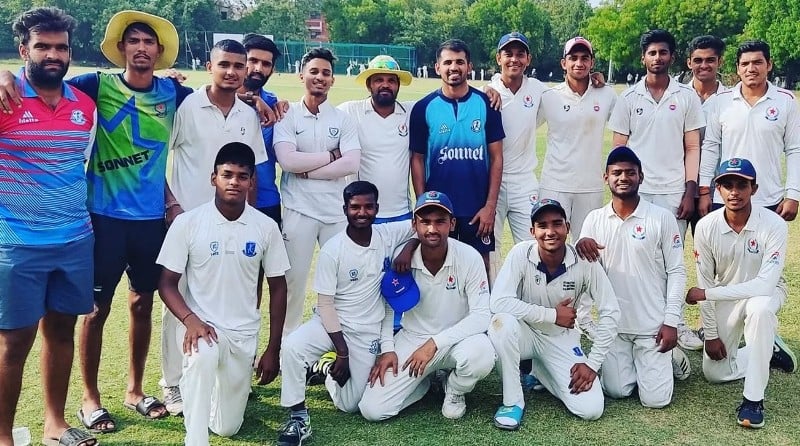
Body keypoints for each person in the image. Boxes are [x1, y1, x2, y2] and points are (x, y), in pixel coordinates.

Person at [0, 8, 97, 446]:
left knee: (60, 331)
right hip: (16, 242)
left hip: (74, 239)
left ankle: (55, 424)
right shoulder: (5, 98)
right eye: (43, 46)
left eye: (61, 47)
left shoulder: (84, 106)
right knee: (13, 342)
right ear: (24, 50)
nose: (53, 54)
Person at [160, 37, 270, 417]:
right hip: (188, 221)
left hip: (234, 226)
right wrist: (172, 205)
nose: (232, 72)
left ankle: (228, 378)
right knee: (180, 302)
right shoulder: (187, 106)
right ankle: (173, 383)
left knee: (230, 302)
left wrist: (250, 224)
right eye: (224, 65)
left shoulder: (248, 115)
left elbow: (251, 174)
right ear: (210, 66)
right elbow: (159, 159)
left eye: (239, 66)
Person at [157, 142, 289, 445]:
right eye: (227, 174)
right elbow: (166, 283)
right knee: (202, 358)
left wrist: (273, 349)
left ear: (252, 181)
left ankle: (217, 395)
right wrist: (190, 320)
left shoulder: (265, 227)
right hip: (203, 328)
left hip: (243, 335)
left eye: (242, 176)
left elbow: (279, 287)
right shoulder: (188, 223)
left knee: (228, 427)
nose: (234, 182)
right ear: (213, 178)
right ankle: (195, 439)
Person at [276, 181, 414, 446]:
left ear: (377, 208)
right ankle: (298, 416)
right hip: (330, 325)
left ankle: (326, 369)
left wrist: (407, 248)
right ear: (345, 209)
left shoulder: (386, 235)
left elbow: (419, 224)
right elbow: (325, 305)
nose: (362, 212)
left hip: (366, 331)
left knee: (350, 404)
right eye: (355, 207)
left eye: (368, 207)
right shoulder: (333, 250)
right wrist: (342, 352)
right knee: (293, 347)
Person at [359, 191, 495, 421]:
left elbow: (482, 316)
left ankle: (454, 390)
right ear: (414, 224)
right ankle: (422, 384)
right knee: (373, 410)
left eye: (440, 221)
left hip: (456, 339)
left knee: (482, 354)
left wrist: (435, 343)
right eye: (425, 222)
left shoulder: (469, 257)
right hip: (413, 338)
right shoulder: (401, 259)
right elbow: (388, 306)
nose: (432, 229)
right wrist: (388, 348)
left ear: (452, 224)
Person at [608, 29, 704, 350]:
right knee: (636, 262)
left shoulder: (686, 97)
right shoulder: (628, 99)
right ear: (643, 58)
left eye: (663, 52)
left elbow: (692, 146)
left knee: (669, 264)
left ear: (671, 57)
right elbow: (618, 151)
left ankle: (671, 325)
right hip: (637, 194)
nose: (657, 58)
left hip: (673, 193)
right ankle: (633, 326)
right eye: (652, 53)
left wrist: (690, 189)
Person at [488, 199, 620, 429]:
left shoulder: (584, 261)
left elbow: (611, 311)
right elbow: (498, 301)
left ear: (567, 228)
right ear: (532, 231)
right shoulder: (521, 253)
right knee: (501, 324)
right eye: (542, 225)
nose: (550, 232)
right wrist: (551, 315)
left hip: (561, 339)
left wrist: (592, 364)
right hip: (525, 333)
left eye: (557, 224)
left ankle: (540, 373)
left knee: (590, 409)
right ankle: (512, 402)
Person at [687, 158, 796, 429]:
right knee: (714, 373)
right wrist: (710, 334)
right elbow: (706, 281)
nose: (734, 192)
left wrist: (708, 295)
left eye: (741, 185)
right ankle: (767, 348)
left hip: (767, 292)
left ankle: (753, 400)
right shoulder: (706, 227)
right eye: (726, 185)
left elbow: (763, 285)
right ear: (717, 189)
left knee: (759, 311)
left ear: (754, 189)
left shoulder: (774, 225)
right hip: (725, 294)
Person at [576, 147, 688, 408]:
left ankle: (671, 359)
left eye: (630, 172)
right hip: (615, 328)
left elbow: (677, 271)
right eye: (616, 173)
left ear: (641, 176)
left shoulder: (661, 218)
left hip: (652, 327)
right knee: (617, 391)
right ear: (606, 178)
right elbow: (586, 273)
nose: (623, 177)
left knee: (655, 401)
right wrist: (581, 244)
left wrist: (671, 321)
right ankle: (646, 366)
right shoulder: (594, 219)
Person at [273, 48, 361, 333]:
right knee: (293, 282)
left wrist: (306, 170)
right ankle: (288, 348)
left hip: (335, 212)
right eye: (314, 71)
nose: (319, 77)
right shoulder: (288, 115)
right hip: (299, 211)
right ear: (302, 76)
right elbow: (287, 161)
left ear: (333, 80)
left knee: (340, 281)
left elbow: (351, 163)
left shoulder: (342, 118)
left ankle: (338, 344)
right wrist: (330, 156)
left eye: (325, 73)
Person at [410, 39, 504, 275]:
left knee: (480, 268)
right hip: (439, 207)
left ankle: (482, 313)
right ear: (437, 67)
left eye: (460, 62)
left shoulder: (486, 104)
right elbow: (417, 159)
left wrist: (490, 206)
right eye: (448, 62)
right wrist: (423, 205)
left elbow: (496, 157)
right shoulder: (424, 107)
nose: (454, 67)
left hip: (477, 208)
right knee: (440, 269)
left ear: (469, 67)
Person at [698, 40, 800, 222]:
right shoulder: (721, 101)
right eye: (745, 64)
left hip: (769, 198)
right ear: (737, 68)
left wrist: (793, 194)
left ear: (769, 65)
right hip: (727, 197)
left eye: (757, 62)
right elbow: (710, 147)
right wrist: (705, 190)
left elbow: (794, 149)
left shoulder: (786, 100)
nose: (750, 69)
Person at [538, 36, 617, 241]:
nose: (579, 63)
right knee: (551, 246)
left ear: (592, 62)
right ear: (564, 63)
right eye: (573, 58)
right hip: (554, 184)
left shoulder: (607, 94)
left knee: (588, 247)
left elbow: (626, 129)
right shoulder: (549, 95)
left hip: (590, 186)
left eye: (584, 58)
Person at [339, 55, 415, 223]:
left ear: (398, 85)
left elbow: (443, 99)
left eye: (391, 80)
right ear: (369, 85)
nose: (385, 85)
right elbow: (320, 115)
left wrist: (486, 89)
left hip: (402, 212)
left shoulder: (411, 112)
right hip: (363, 214)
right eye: (379, 80)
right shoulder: (350, 111)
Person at [486, 32, 543, 252]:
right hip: (492, 183)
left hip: (524, 181)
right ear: (498, 58)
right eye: (508, 54)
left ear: (528, 59)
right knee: (490, 248)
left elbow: (568, 93)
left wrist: (594, 79)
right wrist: (487, 88)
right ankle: (491, 288)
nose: (514, 59)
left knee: (532, 247)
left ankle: (530, 288)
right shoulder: (486, 93)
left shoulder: (538, 89)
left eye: (520, 54)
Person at [685, 35, 728, 237]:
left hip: (717, 191)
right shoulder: (677, 96)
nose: (704, 65)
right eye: (698, 60)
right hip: (679, 188)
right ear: (689, 62)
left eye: (710, 60)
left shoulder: (730, 100)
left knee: (715, 252)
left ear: (720, 61)